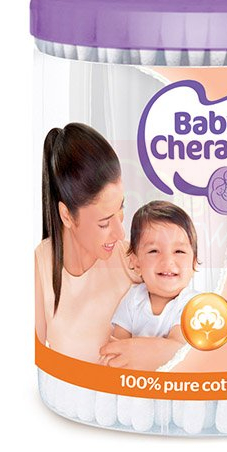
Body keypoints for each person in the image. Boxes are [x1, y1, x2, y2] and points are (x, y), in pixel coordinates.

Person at [35, 123, 184, 368]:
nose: (120, 232)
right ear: (67, 216)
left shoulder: (134, 260)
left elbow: (196, 335)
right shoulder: (40, 266)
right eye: (104, 222)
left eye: (121, 208)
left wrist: (157, 350)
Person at [109, 201, 199, 351]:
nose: (168, 261)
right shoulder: (133, 299)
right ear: (136, 263)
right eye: (154, 251)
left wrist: (131, 349)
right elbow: (116, 346)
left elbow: (176, 351)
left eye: (179, 251)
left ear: (194, 262)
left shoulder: (193, 304)